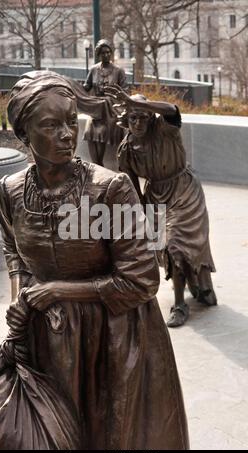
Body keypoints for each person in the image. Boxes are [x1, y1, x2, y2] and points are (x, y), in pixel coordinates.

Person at [0, 70, 189, 449]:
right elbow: (14, 253)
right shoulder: (9, 190)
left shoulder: (110, 189)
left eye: (72, 121)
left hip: (113, 338)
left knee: (107, 438)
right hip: (47, 338)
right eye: (51, 126)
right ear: (23, 135)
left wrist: (56, 291)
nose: (68, 135)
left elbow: (142, 281)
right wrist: (20, 297)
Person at [105, 84, 217, 328]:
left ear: (150, 115)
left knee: (179, 244)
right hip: (156, 196)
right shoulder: (126, 150)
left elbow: (172, 109)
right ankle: (190, 291)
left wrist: (138, 103)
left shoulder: (164, 128)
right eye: (133, 117)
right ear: (126, 119)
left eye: (143, 116)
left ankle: (181, 303)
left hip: (184, 190)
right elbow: (132, 186)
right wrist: (141, 212)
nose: (138, 122)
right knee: (166, 248)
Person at [83, 39, 128, 167]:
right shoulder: (93, 70)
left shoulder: (118, 71)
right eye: (103, 53)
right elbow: (86, 87)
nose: (106, 55)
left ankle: (97, 166)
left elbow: (125, 91)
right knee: (89, 133)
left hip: (111, 109)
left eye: (108, 52)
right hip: (96, 108)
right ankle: (96, 165)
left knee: (102, 133)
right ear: (98, 54)